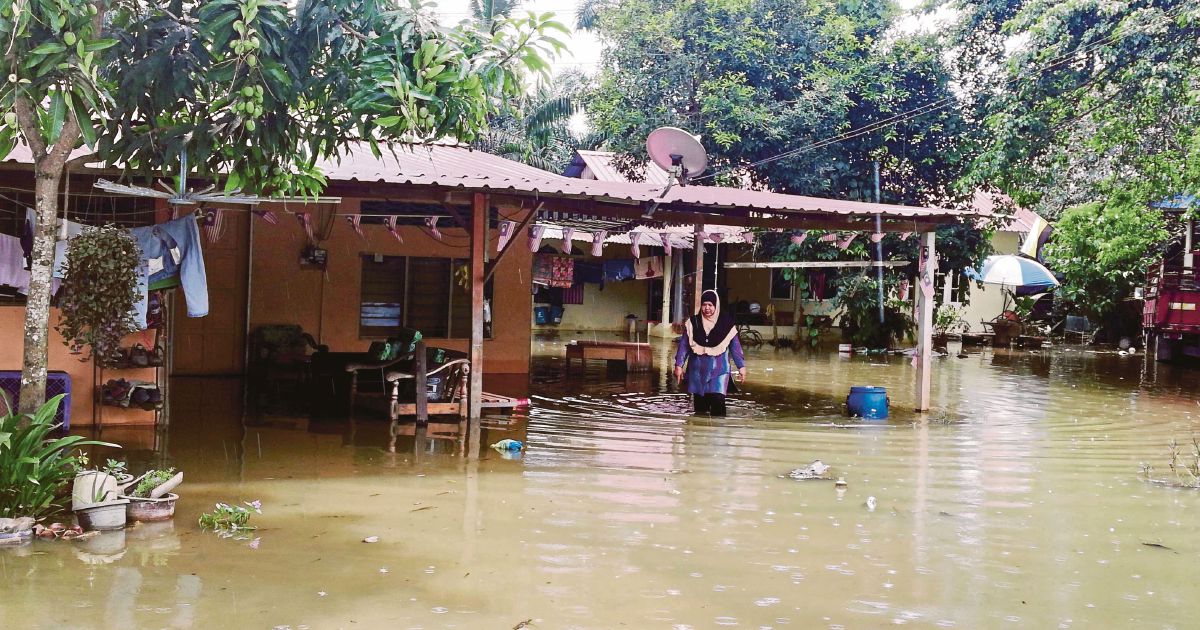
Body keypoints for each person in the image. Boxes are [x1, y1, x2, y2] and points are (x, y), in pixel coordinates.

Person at [673, 290, 746, 416]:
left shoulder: (726, 324)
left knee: (718, 402)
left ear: (716, 305)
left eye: (710, 305)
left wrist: (741, 366)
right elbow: (684, 346)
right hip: (697, 372)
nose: (707, 308)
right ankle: (699, 434)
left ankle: (718, 434)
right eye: (704, 304)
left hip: (719, 370)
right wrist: (678, 365)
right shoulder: (693, 323)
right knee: (700, 410)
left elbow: (735, 347)